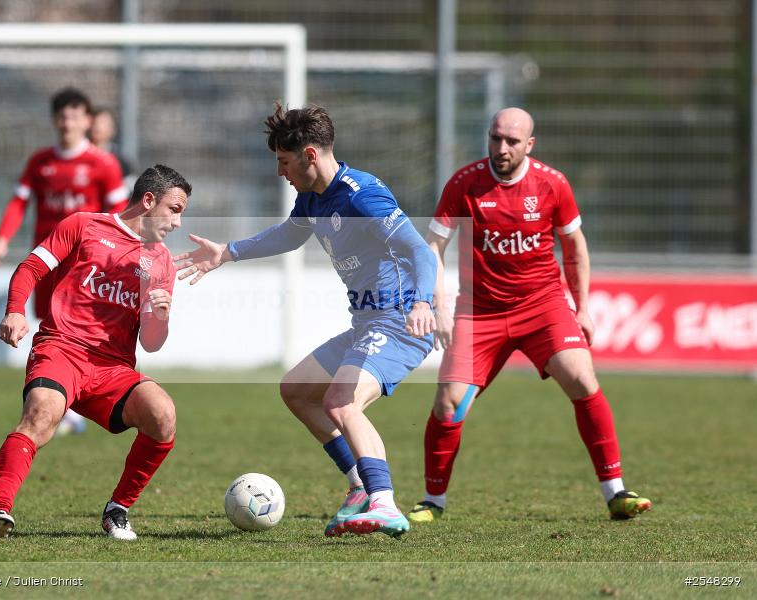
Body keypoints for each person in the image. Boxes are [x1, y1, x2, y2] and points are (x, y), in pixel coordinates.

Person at [173, 103, 437, 538]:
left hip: (399, 324)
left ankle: (385, 503)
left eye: (283, 160)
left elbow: (420, 251)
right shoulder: (312, 197)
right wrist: (227, 252)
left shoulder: (361, 195)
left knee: (341, 402)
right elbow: (290, 234)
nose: (280, 171)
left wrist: (424, 303)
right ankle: (358, 488)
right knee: (296, 390)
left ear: (309, 154)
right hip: (366, 326)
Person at [407, 107, 651, 524]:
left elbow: (574, 249)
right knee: (449, 405)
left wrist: (584, 308)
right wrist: (437, 303)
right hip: (479, 311)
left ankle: (616, 492)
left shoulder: (552, 184)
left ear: (529, 144)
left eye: (512, 142)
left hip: (542, 306)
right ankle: (433, 500)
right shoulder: (465, 184)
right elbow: (433, 247)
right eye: (495, 138)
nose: (501, 148)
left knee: (582, 376)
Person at [0, 164, 191, 542]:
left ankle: (118, 509)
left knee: (163, 415)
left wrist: (160, 315)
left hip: (113, 368)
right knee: (41, 415)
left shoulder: (161, 262)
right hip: (62, 348)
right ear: (149, 200)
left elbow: (152, 342)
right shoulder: (84, 225)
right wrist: (14, 310)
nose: (178, 221)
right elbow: (30, 268)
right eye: (175, 209)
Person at [0, 88, 129, 436]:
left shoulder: (103, 164)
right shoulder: (40, 162)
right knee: (48, 326)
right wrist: (3, 239)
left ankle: (71, 401)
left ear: (87, 120)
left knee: (77, 328)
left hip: (86, 263)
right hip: (48, 258)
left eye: (76, 115)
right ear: (55, 120)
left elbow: (120, 215)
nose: (69, 122)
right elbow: (19, 202)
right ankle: (55, 399)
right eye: (63, 116)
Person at [89, 107, 138, 188]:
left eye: (103, 122)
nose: (97, 126)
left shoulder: (120, 160)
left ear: (112, 129)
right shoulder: (79, 154)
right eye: (94, 122)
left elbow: (131, 186)